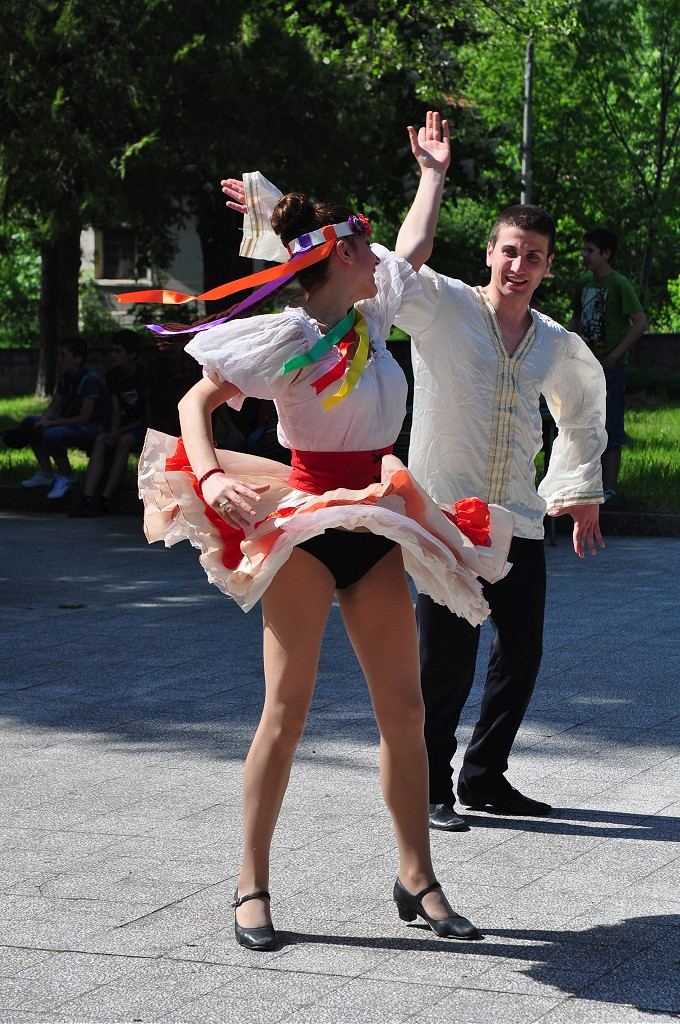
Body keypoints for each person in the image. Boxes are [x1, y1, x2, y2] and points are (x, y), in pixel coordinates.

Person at [122, 113, 515, 951]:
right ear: (339, 257)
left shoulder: (373, 319)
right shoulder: (288, 336)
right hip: (304, 525)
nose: (384, 261)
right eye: (367, 249)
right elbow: (195, 402)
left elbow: (414, 243)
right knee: (286, 710)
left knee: (404, 709)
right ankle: (250, 884)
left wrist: (433, 175)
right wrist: (213, 476)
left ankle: (418, 876)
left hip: (375, 516)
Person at [388, 130, 608, 831]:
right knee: (446, 660)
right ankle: (429, 786)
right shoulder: (443, 306)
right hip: (446, 516)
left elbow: (583, 409)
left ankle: (484, 777)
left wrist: (579, 494)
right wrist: (432, 177)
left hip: (518, 517)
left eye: (533, 256)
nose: (519, 265)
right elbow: (387, 267)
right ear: (490, 252)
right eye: (510, 251)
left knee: (522, 653)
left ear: (547, 266)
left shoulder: (554, 341)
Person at [569, 228, 648, 504]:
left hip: (611, 370)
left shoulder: (619, 285)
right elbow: (576, 321)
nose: (585, 255)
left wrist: (615, 355)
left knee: (611, 425)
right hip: (585, 368)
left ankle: (610, 488)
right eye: (584, 250)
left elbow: (640, 323)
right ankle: (585, 484)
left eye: (590, 251)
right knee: (583, 426)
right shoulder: (583, 284)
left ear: (606, 254)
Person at [20, 335, 110, 500]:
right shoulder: (65, 378)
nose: (59, 359)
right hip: (75, 423)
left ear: (78, 359)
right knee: (30, 424)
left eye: (63, 355)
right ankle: (47, 473)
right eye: (58, 355)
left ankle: (68, 478)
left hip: (94, 427)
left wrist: (50, 425)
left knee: (52, 434)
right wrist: (42, 422)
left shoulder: (89, 380)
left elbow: (84, 418)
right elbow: (53, 407)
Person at [70, 329, 149, 516]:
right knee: (101, 440)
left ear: (132, 354)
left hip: (140, 426)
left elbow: (147, 415)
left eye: (118, 351)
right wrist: (114, 430)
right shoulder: (113, 375)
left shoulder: (145, 375)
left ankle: (106, 498)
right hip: (121, 426)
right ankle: (88, 498)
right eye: (112, 350)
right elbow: (115, 410)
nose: (113, 355)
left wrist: (121, 431)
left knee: (125, 441)